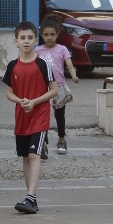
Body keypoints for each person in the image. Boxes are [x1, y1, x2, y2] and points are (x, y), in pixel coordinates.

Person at [3, 20, 57, 214]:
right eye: (22, 38)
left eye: (30, 38)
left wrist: (34, 101)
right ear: (16, 41)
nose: (26, 41)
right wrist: (21, 101)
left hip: (39, 116)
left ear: (36, 40)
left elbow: (54, 90)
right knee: (26, 157)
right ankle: (30, 198)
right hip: (22, 117)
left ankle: (30, 197)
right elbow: (8, 93)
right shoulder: (12, 66)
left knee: (34, 155)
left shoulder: (43, 64)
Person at [35, 16, 78, 155]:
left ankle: (61, 139)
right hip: (42, 88)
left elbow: (69, 64)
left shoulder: (62, 49)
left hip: (58, 87)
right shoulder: (37, 51)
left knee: (59, 115)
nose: (49, 37)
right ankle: (43, 143)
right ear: (41, 35)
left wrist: (73, 75)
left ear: (57, 34)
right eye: (46, 35)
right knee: (42, 116)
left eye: (52, 34)